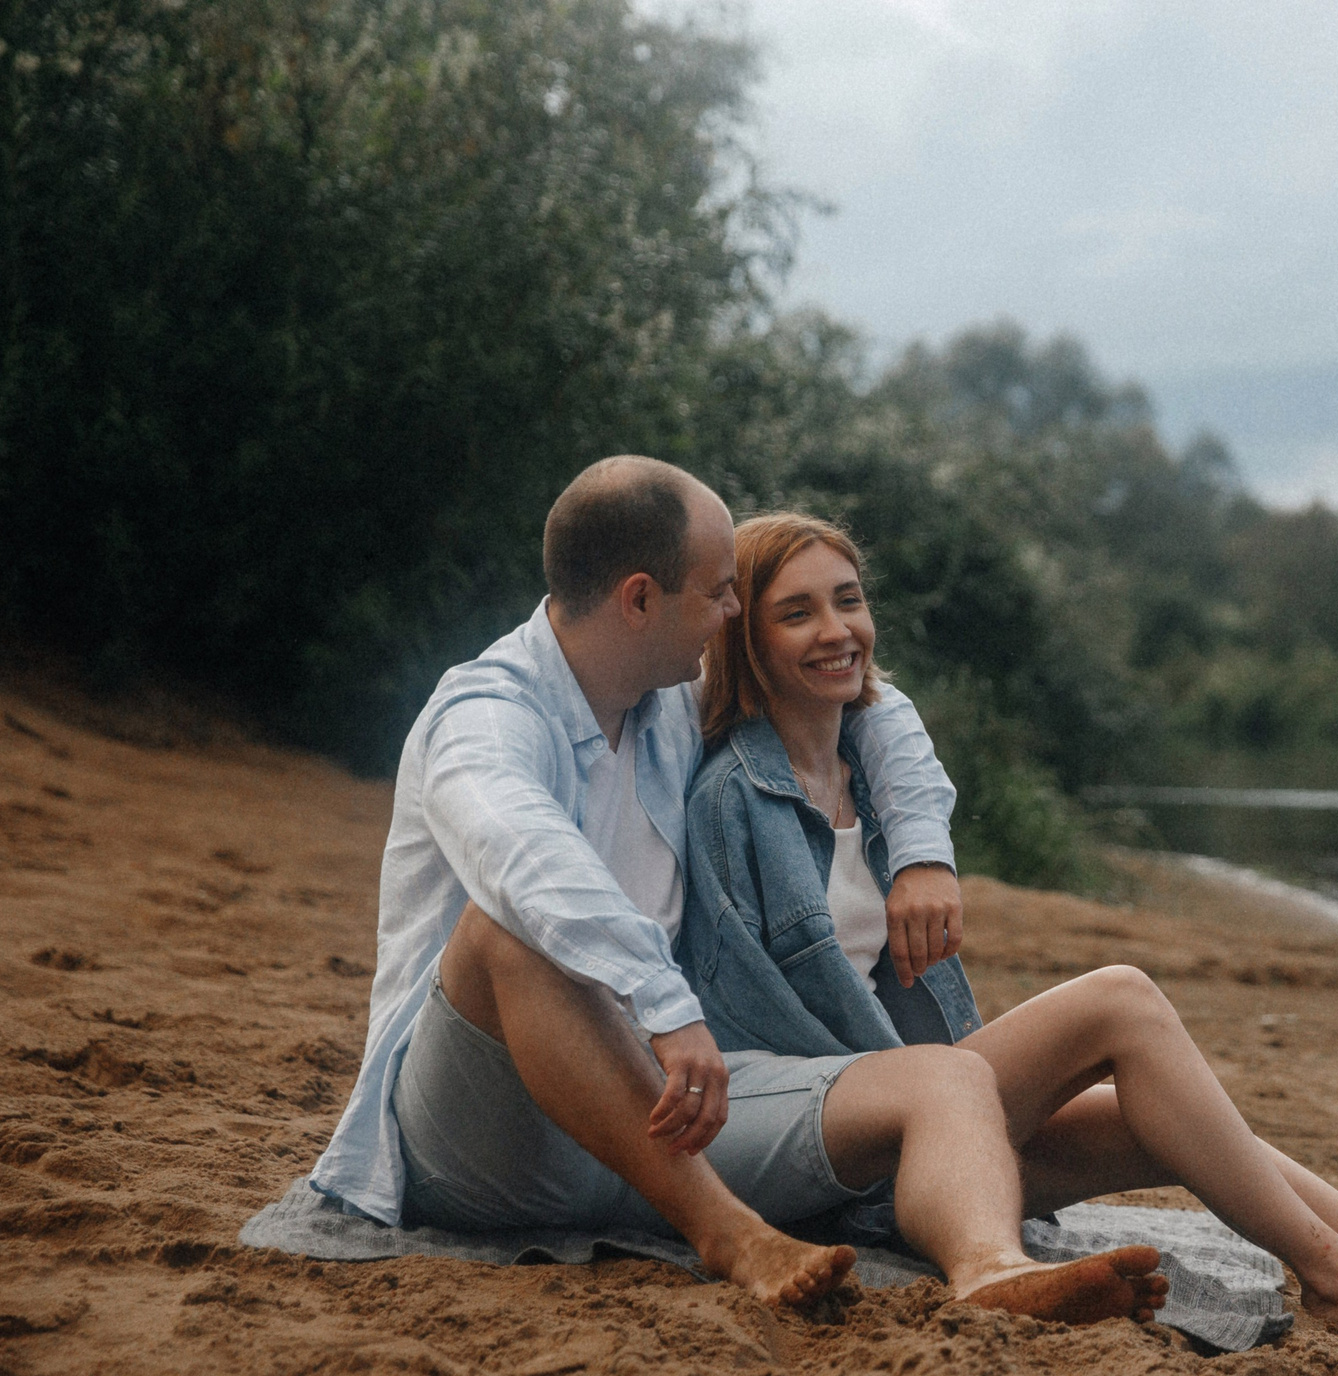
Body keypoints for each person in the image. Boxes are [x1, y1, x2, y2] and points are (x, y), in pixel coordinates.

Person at [684, 512, 1338, 1355]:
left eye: (848, 600)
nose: (837, 629)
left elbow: (896, 729)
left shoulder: (871, 774)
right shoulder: (734, 798)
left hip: (915, 1114)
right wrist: (931, 1111)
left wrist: (947, 1114)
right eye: (797, 613)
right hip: (829, 1137)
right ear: (749, 640)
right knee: (1121, 996)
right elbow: (752, 1015)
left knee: (1202, 1132)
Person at [308, 456, 1165, 1325]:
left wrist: (920, 854)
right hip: (483, 1137)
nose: (732, 613)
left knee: (948, 1080)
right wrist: (666, 1002)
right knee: (508, 927)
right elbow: (527, 857)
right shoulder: (486, 717)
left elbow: (870, 699)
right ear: (639, 599)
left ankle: (993, 1269)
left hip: (658, 1121)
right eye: (719, 593)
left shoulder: (666, 695)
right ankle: (732, 1237)